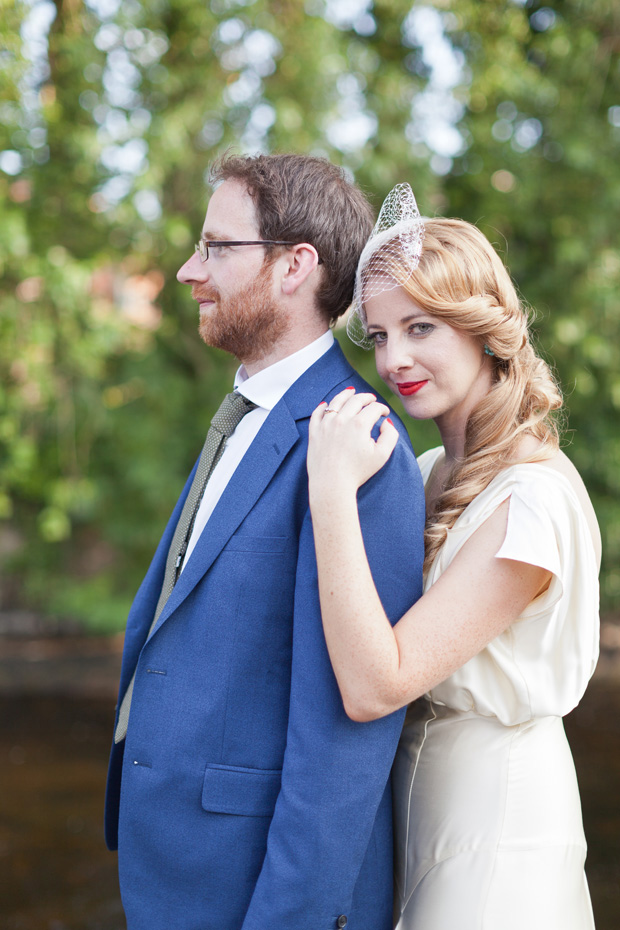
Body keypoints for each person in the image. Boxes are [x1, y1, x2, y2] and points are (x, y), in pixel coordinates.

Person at [104, 156, 426, 930]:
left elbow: (344, 749)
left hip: (259, 895)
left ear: (294, 266)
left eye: (217, 248)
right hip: (175, 872)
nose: (189, 270)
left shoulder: (362, 443)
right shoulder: (244, 415)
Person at [307, 183, 600, 930]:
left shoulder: (529, 498)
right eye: (377, 335)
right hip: (422, 807)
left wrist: (331, 491)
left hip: (498, 819)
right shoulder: (433, 466)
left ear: (481, 330)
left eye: (421, 327)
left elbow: (378, 685)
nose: (394, 357)